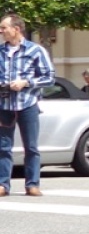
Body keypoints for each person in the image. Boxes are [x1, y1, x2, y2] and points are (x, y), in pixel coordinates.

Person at [0, 12, 54, 196]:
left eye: (4, 28)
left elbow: (49, 78)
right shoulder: (0, 51)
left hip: (27, 104)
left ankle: (32, 184)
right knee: (3, 147)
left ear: (16, 29)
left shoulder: (35, 50)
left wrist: (26, 82)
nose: (1, 31)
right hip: (4, 105)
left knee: (31, 146)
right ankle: (3, 185)